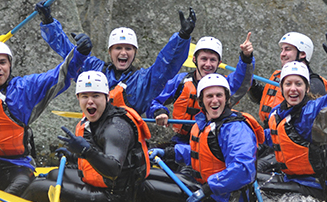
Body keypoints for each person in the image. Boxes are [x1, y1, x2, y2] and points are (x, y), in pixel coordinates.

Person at [0, 33, 92, 196]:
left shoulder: (23, 90)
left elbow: (60, 74)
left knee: (22, 185)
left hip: (15, 166)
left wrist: (80, 54)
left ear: (10, 65)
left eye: (3, 62)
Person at [36, 0, 196, 114]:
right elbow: (66, 51)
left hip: (127, 145)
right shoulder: (93, 69)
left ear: (135, 53)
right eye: (118, 48)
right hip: (93, 142)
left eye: (128, 49)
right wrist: (48, 22)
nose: (123, 53)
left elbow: (167, 64)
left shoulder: (145, 80)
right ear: (110, 52)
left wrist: (182, 37)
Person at [22, 71, 151, 202]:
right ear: (78, 98)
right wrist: (74, 155)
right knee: (52, 174)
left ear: (106, 97)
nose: (90, 101)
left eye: (96, 96)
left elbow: (113, 169)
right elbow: (98, 155)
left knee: (36, 188)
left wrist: (86, 151)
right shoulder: (96, 120)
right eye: (85, 96)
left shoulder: (115, 128)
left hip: (114, 197)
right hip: (103, 185)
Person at [257, 30, 327, 201]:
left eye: (298, 84)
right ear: (282, 88)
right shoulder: (276, 114)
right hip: (289, 179)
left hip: (313, 184)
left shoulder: (314, 113)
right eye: (288, 84)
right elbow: (268, 137)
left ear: (307, 88)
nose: (293, 89)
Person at [142, 73, 264, 202]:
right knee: (144, 175)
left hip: (224, 196)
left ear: (227, 98)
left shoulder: (236, 129)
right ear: (201, 101)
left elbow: (243, 169)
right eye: (209, 96)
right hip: (206, 188)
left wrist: (206, 190)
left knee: (148, 187)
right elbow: (202, 155)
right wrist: (167, 153)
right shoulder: (205, 124)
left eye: (219, 95)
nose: (215, 100)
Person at [146, 33, 255, 145]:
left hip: (211, 140)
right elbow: (153, 99)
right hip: (182, 140)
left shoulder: (224, 85)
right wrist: (159, 111)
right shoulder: (181, 80)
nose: (208, 64)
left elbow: (243, 81)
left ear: (219, 63)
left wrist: (246, 58)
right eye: (204, 59)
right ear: (194, 59)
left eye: (212, 60)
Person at [247, 32, 327, 128]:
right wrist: (252, 85)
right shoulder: (281, 76)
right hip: (271, 131)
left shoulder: (314, 83)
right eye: (282, 50)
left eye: (287, 49)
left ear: (303, 53)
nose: (282, 54)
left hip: (291, 134)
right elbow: (268, 100)